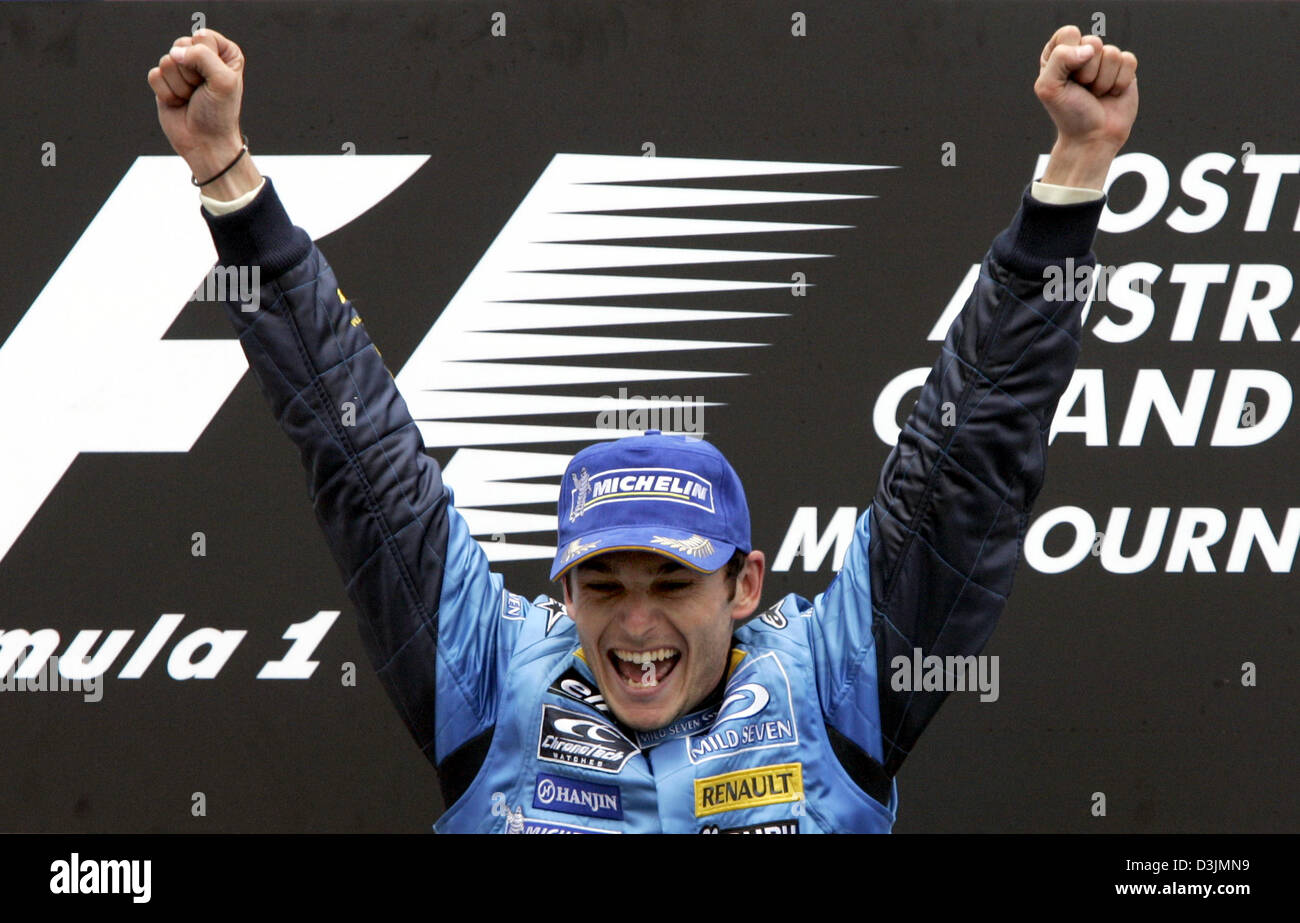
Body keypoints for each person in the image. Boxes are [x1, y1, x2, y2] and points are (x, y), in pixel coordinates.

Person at [148, 24, 1138, 833]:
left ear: (744, 583)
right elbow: (359, 456)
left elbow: (964, 467)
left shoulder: (831, 680)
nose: (632, 622)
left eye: (670, 578)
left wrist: (1073, 173)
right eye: (604, 582)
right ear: (562, 588)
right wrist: (227, 178)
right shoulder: (491, 676)